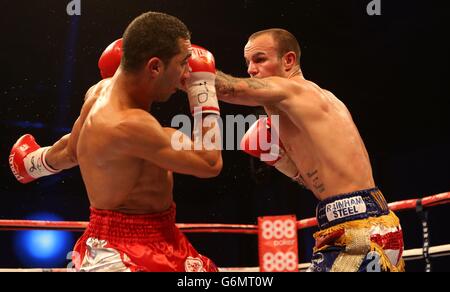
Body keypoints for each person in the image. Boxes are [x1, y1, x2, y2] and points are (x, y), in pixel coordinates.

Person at [9, 11, 222, 272]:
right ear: (154, 67)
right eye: (183, 63)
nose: (187, 73)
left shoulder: (98, 93)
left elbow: (72, 149)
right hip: (126, 255)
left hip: (152, 238)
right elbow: (210, 162)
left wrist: (34, 162)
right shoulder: (130, 125)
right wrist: (203, 90)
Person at [214, 28, 404, 272]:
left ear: (288, 60)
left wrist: (186, 69)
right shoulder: (322, 98)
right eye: (248, 62)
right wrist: (285, 163)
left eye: (260, 59)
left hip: (356, 230)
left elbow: (231, 88)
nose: (251, 69)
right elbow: (329, 174)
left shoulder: (290, 89)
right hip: (368, 221)